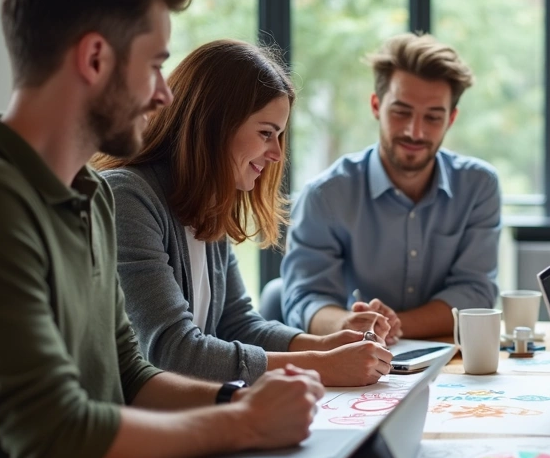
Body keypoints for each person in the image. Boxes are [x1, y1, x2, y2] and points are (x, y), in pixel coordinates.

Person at [0, 0, 322, 458]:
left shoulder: (87, 196)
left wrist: (238, 400)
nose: (165, 93)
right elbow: (59, 438)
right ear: (94, 59)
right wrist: (242, 424)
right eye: (157, 65)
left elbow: (130, 378)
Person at [96, 40, 392, 387]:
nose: (277, 154)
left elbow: (238, 325)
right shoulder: (127, 196)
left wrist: (328, 345)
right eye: (266, 133)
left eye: (279, 136)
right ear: (213, 126)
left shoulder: (208, 202)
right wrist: (321, 365)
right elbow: (171, 352)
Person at [282, 33, 500, 340]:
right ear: (376, 105)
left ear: (451, 119)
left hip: (447, 359)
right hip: (354, 356)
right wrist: (348, 325)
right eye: (401, 112)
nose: (415, 131)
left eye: (433, 117)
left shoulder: (479, 186)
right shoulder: (326, 195)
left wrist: (394, 325)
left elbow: (476, 293)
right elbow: (306, 299)